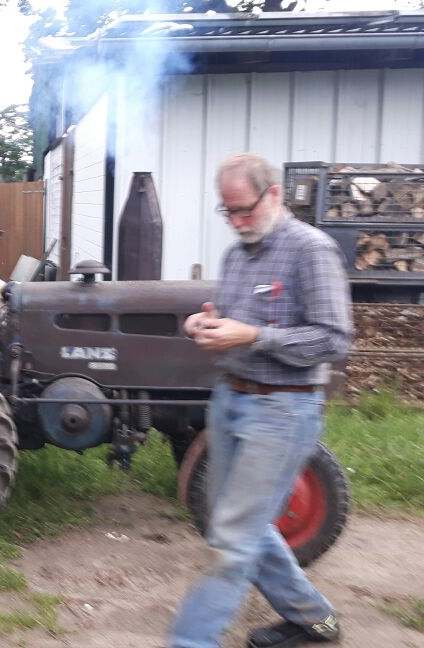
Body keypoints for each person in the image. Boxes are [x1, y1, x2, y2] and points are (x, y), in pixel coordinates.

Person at [170, 153, 352, 648]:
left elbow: (335, 339)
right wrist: (204, 324)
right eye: (226, 212)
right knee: (231, 523)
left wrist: (254, 335)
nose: (236, 222)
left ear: (274, 194)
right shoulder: (236, 256)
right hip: (230, 399)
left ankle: (191, 640)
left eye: (244, 210)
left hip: (282, 410)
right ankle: (313, 619)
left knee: (233, 538)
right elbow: (231, 322)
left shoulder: (311, 250)